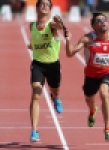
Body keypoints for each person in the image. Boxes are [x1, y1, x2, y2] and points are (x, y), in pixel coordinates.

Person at [64, 12, 109, 140]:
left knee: (104, 93)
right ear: (94, 27)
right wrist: (68, 40)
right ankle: (92, 110)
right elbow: (70, 53)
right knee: (89, 100)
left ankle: (107, 129)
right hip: (91, 75)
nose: (103, 22)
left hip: (107, 73)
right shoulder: (88, 39)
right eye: (99, 20)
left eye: (104, 19)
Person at [28, 0, 63, 142]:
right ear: (37, 8)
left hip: (53, 65)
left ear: (50, 10)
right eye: (42, 4)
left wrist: (59, 22)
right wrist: (31, 45)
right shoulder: (32, 26)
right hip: (38, 65)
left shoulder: (52, 25)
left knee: (55, 90)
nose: (44, 6)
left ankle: (55, 97)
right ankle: (34, 130)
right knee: (36, 94)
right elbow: (35, 41)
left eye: (47, 5)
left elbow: (58, 26)